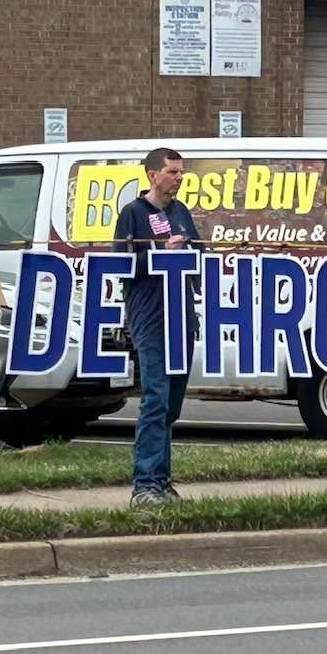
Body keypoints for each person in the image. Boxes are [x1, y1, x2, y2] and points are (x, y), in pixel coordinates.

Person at [112, 148, 201, 506]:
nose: (178, 178)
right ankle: (144, 485)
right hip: (150, 319)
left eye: (181, 173)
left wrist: (191, 250)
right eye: (172, 172)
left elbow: (201, 257)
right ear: (152, 175)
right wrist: (161, 252)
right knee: (154, 400)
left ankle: (162, 482)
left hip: (183, 318)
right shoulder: (132, 214)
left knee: (172, 406)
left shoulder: (181, 213)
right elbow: (120, 263)